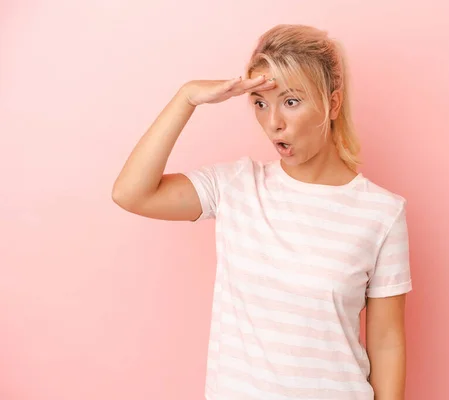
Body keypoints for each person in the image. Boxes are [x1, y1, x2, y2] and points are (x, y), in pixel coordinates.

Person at [112, 24, 412, 400]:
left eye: (290, 101)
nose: (273, 123)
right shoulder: (236, 186)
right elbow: (130, 193)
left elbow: (386, 342)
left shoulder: (382, 213)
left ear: (332, 104)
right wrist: (186, 98)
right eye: (259, 102)